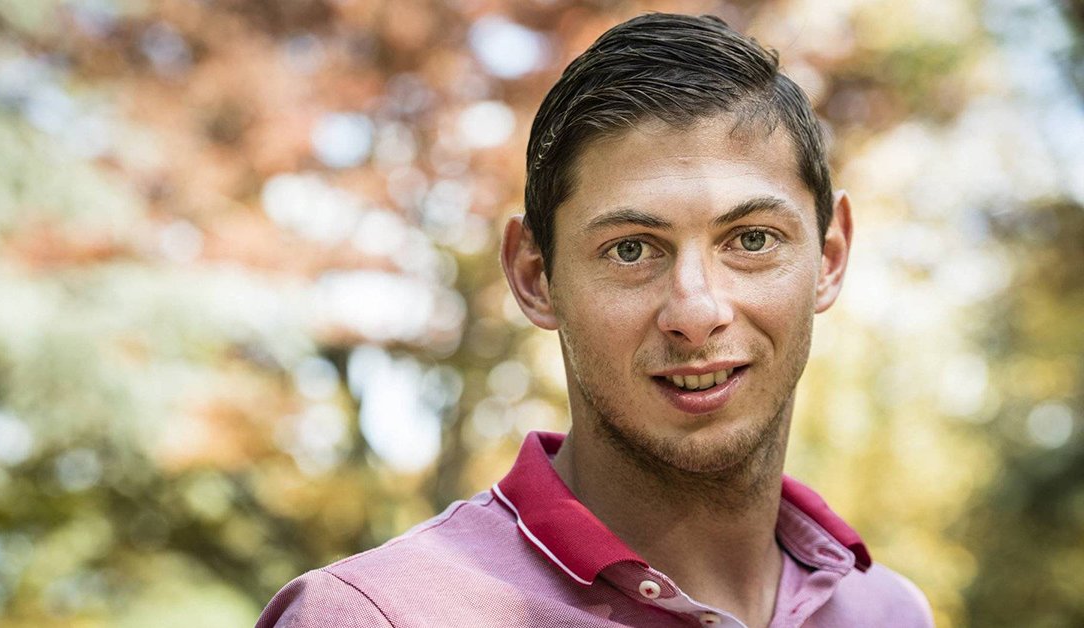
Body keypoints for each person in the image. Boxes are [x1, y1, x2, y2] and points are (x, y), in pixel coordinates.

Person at [257, 12, 934, 628]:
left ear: (830, 257)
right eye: (631, 249)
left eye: (752, 239)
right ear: (535, 276)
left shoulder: (890, 614)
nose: (696, 312)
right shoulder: (371, 617)